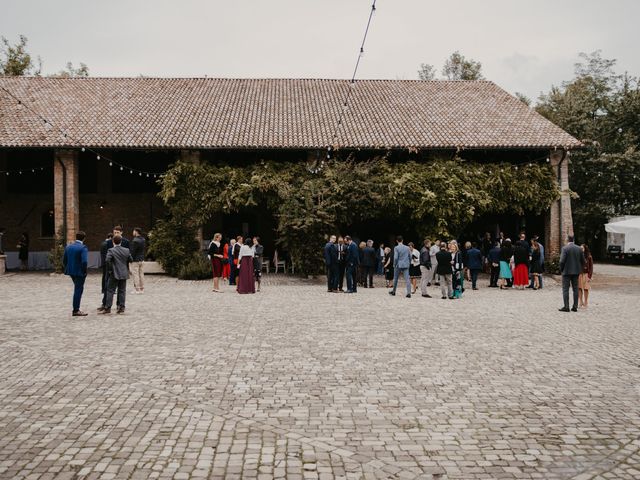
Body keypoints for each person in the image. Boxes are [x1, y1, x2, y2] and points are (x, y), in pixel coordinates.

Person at [98, 226, 129, 312]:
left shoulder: (126, 242)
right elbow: (107, 258)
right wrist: (108, 269)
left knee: (119, 289)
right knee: (107, 287)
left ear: (121, 233)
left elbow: (128, 257)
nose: (115, 234)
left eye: (117, 233)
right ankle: (105, 304)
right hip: (110, 270)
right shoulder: (109, 242)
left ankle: (119, 305)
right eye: (114, 232)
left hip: (122, 269)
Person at [62, 231, 89, 317]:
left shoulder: (68, 247)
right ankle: (76, 310)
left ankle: (76, 309)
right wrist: (84, 271)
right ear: (84, 238)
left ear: (76, 237)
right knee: (78, 290)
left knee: (77, 288)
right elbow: (84, 261)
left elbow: (64, 260)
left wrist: (67, 267)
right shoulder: (83, 248)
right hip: (80, 272)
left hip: (71, 271)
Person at [559, 235, 585, 312]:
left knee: (565, 289)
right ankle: (575, 307)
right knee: (575, 289)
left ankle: (566, 307)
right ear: (573, 240)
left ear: (567, 240)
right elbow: (583, 261)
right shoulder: (579, 249)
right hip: (576, 272)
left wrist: (561, 269)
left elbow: (561, 261)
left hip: (566, 272)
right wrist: (579, 268)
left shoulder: (565, 248)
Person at [130, 227, 146, 293]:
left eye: (133, 231)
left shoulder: (135, 240)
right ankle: (142, 288)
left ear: (136, 232)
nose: (133, 232)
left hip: (135, 260)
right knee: (141, 274)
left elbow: (133, 251)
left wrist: (130, 259)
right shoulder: (143, 239)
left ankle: (137, 289)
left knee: (135, 274)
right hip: (141, 259)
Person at [99, 233, 113, 306]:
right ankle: (105, 289)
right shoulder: (107, 244)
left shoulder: (102, 243)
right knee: (107, 276)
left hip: (103, 262)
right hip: (107, 262)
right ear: (110, 237)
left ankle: (103, 289)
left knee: (104, 276)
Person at [578, 244, 593, 308]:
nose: (581, 249)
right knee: (579, 288)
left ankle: (586, 301)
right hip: (579, 274)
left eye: (582, 248)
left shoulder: (589, 257)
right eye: (580, 248)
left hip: (586, 274)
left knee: (586, 288)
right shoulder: (578, 256)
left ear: (585, 249)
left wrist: (589, 276)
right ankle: (580, 301)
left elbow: (591, 267)